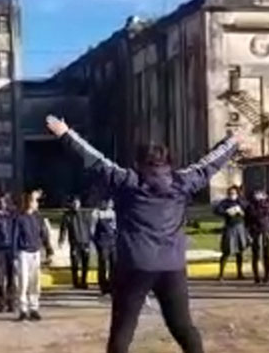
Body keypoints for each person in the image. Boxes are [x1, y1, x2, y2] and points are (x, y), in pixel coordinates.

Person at [46, 114, 241, 353]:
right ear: (169, 161)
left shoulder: (127, 181)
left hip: (134, 266)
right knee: (183, 327)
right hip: (172, 266)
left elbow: (95, 160)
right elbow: (209, 165)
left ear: (138, 162)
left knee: (122, 332)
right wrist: (231, 142)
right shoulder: (182, 182)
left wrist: (66, 133)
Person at [14, 189, 54, 321]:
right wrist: (14, 256)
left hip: (35, 252)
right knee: (23, 282)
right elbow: (15, 237)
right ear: (28, 202)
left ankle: (34, 308)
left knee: (35, 282)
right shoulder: (19, 218)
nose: (37, 203)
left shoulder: (38, 217)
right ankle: (23, 309)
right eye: (34, 200)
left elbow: (44, 235)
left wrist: (49, 250)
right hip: (23, 253)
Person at [214, 185, 249, 281]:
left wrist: (242, 212)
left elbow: (248, 209)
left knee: (240, 251)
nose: (232, 195)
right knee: (226, 251)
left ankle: (240, 273)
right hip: (230, 227)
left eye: (233, 193)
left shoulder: (241, 202)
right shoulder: (225, 202)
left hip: (240, 227)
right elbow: (217, 210)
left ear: (237, 194)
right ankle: (221, 274)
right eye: (230, 193)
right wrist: (226, 212)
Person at [59, 195, 93, 289]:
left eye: (77, 203)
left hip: (85, 242)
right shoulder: (67, 215)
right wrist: (61, 240)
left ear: (80, 203)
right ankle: (75, 282)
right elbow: (63, 229)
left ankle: (84, 281)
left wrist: (90, 240)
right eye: (74, 203)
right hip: (74, 243)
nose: (75, 205)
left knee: (85, 264)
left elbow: (89, 228)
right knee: (75, 264)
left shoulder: (85, 214)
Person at [244, 188, 269, 285]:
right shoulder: (250, 207)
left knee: (267, 255)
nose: (258, 195)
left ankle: (267, 277)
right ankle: (256, 277)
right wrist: (247, 234)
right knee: (255, 255)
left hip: (266, 232)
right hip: (254, 233)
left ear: (264, 195)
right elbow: (246, 222)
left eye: (260, 194)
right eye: (256, 194)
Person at [92, 198, 118, 296]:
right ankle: (103, 286)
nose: (109, 204)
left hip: (113, 242)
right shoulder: (97, 213)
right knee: (103, 263)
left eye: (111, 202)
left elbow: (116, 228)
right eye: (107, 202)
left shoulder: (114, 214)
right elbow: (92, 229)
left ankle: (113, 285)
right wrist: (96, 242)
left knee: (114, 264)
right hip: (102, 242)